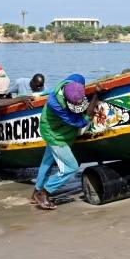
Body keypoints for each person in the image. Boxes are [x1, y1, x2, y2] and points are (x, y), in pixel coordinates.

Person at [31, 74, 103, 210]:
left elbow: (60, 86)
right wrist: (96, 96)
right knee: (71, 167)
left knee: (47, 162)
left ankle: (35, 193)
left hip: (54, 128)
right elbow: (80, 122)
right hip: (55, 135)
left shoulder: (75, 80)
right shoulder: (55, 105)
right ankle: (43, 193)